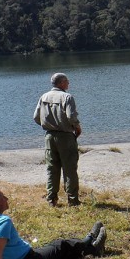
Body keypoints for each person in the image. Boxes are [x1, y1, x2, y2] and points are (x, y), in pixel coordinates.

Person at [33, 72, 82, 206]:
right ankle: (73, 200)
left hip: (49, 136)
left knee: (52, 169)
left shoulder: (44, 97)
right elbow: (71, 116)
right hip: (65, 136)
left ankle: (52, 200)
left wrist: (48, 125)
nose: (68, 84)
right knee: (70, 169)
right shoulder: (67, 97)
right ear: (60, 83)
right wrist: (77, 128)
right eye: (67, 81)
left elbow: (36, 117)